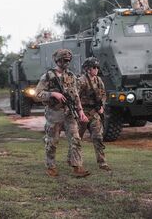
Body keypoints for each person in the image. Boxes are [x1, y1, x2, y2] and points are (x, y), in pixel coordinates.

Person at [35, 49, 90, 178]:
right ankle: (51, 166)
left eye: (69, 61)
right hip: (54, 113)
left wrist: (80, 111)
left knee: (76, 139)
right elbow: (37, 94)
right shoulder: (48, 76)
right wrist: (53, 94)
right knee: (52, 142)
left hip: (69, 113)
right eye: (64, 60)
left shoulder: (71, 76)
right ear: (58, 60)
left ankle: (77, 167)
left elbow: (76, 96)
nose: (67, 63)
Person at [77, 57, 111, 171]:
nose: (96, 69)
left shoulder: (98, 80)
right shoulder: (81, 81)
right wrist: (80, 111)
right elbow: (75, 97)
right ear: (87, 69)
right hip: (82, 113)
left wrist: (102, 107)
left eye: (97, 67)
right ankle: (75, 162)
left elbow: (103, 94)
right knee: (77, 139)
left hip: (94, 112)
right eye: (93, 67)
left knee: (98, 137)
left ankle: (102, 163)